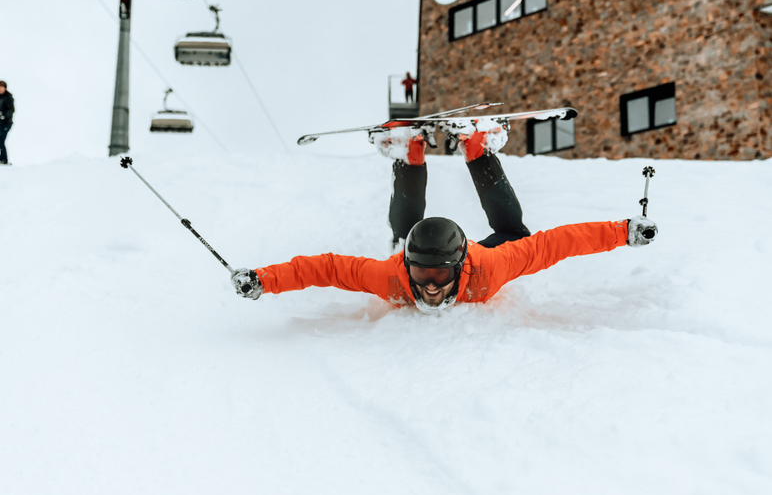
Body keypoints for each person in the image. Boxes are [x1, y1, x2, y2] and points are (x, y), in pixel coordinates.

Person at [231, 121, 658, 313]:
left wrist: (622, 232)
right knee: (401, 239)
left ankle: (458, 148)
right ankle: (418, 150)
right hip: (409, 250)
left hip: (475, 256)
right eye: (422, 275)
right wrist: (264, 280)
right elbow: (324, 269)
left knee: (515, 235)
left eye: (438, 277)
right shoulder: (394, 277)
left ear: (461, 264)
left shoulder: (489, 268)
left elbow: (555, 245)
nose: (430, 288)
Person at [0, 80, 14, 166]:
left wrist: (3, 116)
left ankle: (4, 160)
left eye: (2, 87)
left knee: (1, 141)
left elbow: (11, 110)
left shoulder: (8, 98)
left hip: (6, 123)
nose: (1, 89)